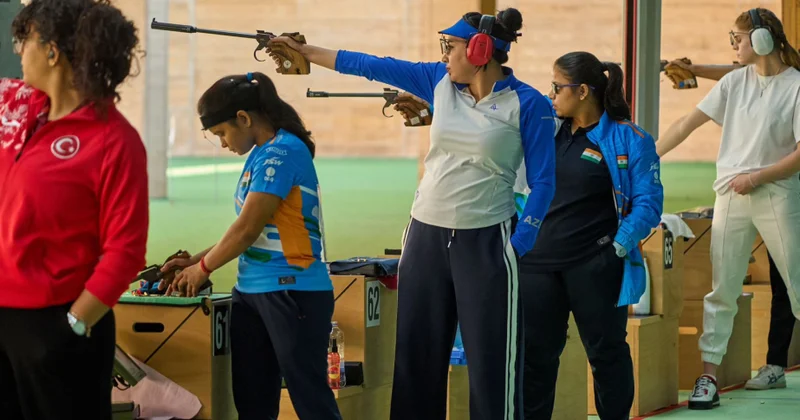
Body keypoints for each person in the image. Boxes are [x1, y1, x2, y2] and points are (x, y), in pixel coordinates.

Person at [268, 7, 556, 419]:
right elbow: (371, 65)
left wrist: (520, 242)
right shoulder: (437, 81)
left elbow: (544, 180)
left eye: (451, 46)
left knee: (493, 362)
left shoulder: (528, 103)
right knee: (416, 356)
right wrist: (306, 51)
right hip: (426, 235)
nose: (444, 55)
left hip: (488, 238)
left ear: (479, 50)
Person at [158, 71, 342, 420]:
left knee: (310, 401)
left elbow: (246, 229)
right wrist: (193, 262)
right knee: (252, 403)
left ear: (244, 118)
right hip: (252, 293)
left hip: (293, 292)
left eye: (222, 133)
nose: (223, 142)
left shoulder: (284, 151)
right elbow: (249, 231)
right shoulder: (260, 155)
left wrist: (204, 268)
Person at [0, 0, 148, 419]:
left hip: (57, 328)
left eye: (23, 39)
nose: (17, 51)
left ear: (52, 51)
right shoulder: (11, 103)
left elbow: (125, 252)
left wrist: (73, 327)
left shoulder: (115, 142)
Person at [656, 8, 800, 409]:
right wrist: (648, 158)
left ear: (761, 40)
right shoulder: (735, 83)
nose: (733, 44)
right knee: (722, 290)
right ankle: (709, 376)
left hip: (777, 193)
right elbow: (686, 123)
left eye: (737, 37)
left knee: (797, 284)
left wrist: (756, 177)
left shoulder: (796, 86)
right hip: (730, 195)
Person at [513, 52, 663, 420]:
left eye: (557, 87)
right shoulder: (541, 132)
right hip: (536, 265)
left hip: (594, 265)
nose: (551, 95)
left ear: (582, 91)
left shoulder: (630, 138)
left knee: (606, 353)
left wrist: (617, 245)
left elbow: (648, 203)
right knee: (534, 358)